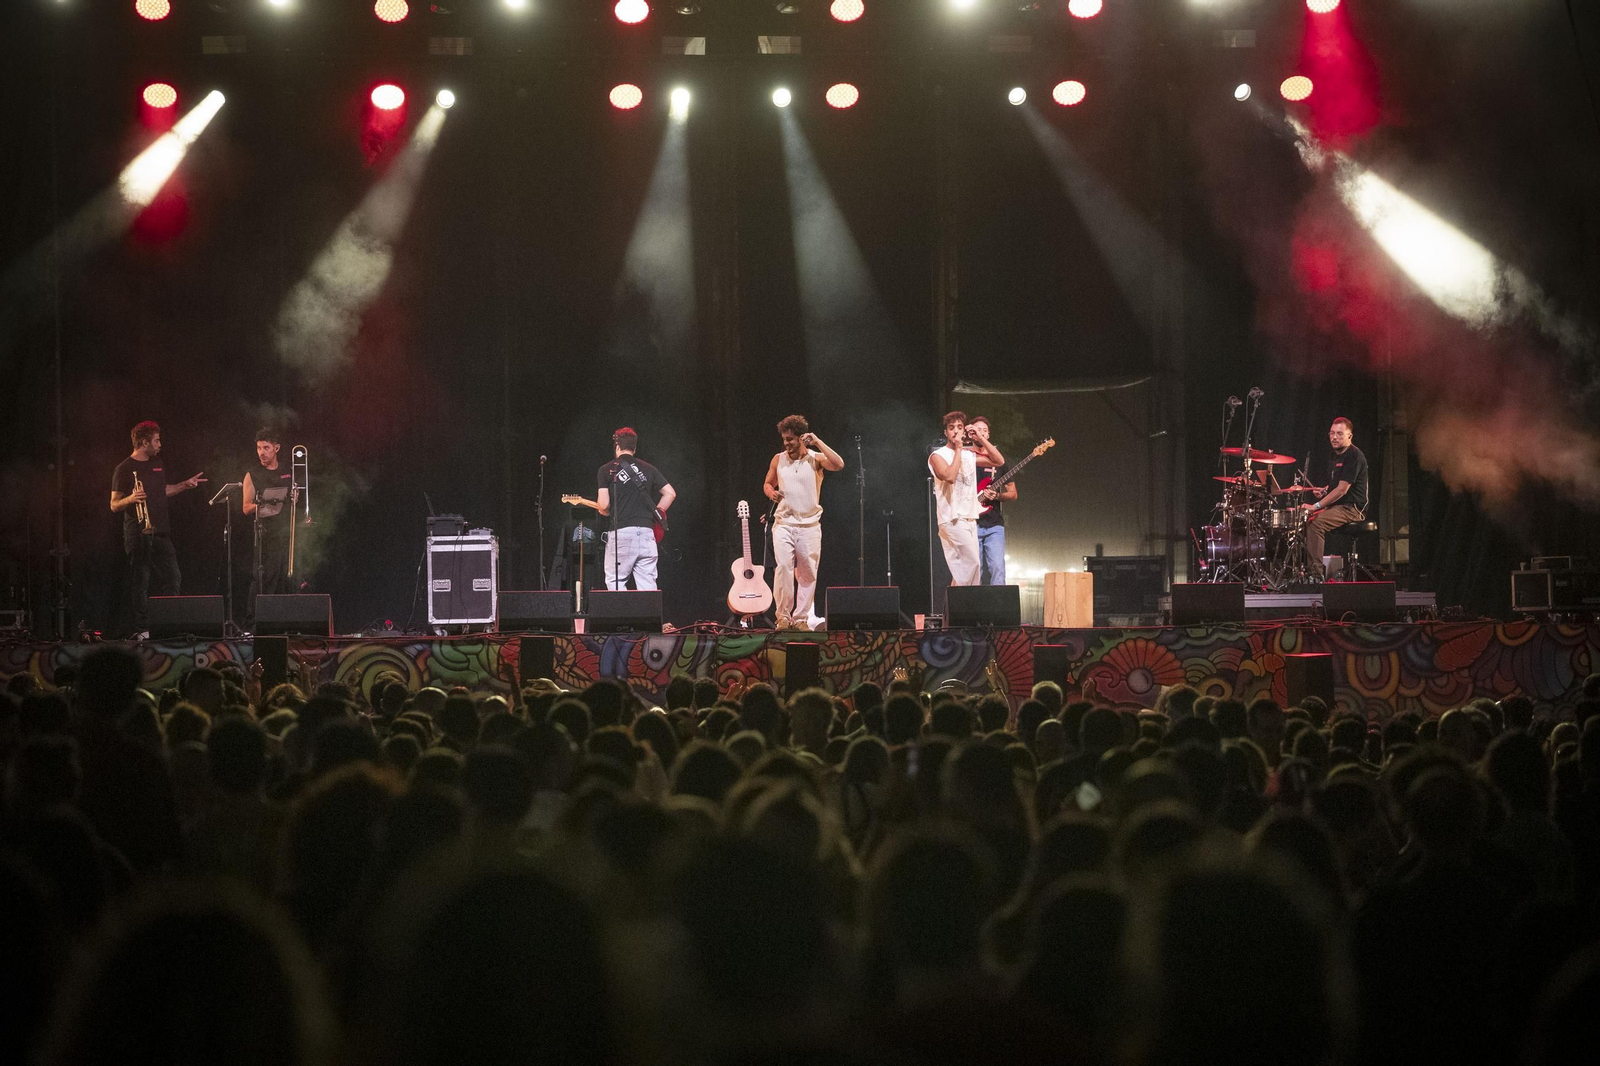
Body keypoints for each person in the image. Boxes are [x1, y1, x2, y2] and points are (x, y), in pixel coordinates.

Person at [110, 421, 206, 640]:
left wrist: (184, 485)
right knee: (141, 582)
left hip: (160, 531)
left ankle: (168, 626)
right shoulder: (123, 468)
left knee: (173, 577)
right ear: (145, 443)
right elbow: (114, 505)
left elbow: (162, 490)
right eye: (156, 440)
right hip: (138, 533)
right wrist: (131, 498)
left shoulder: (157, 463)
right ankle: (142, 629)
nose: (160, 444)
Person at [763, 415, 844, 630]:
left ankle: (800, 619)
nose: (786, 443)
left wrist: (817, 441)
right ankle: (783, 617)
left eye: (790, 439)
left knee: (808, 573)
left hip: (809, 525)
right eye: (784, 439)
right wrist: (771, 493)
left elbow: (839, 464)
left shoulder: (815, 459)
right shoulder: (778, 459)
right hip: (784, 524)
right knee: (783, 569)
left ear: (801, 438)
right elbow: (767, 483)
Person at [595, 427, 675, 592]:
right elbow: (670, 493)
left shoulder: (606, 470)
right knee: (648, 587)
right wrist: (658, 511)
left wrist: (603, 509)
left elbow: (603, 506)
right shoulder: (649, 468)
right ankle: (649, 611)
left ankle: (623, 611)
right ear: (634, 448)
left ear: (617, 446)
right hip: (647, 534)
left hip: (621, 533)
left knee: (616, 582)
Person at [929, 411, 1003, 587]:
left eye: (959, 427)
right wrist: (958, 449)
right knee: (972, 564)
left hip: (969, 518)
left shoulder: (969, 455)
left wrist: (980, 437)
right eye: (951, 428)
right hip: (952, 518)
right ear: (946, 432)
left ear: (964, 431)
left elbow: (999, 461)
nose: (955, 431)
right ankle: (966, 602)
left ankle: (956, 603)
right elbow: (950, 476)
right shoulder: (937, 456)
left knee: (965, 571)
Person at [1300, 416, 1369, 579]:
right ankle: (1303, 571)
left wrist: (1316, 506)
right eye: (1332, 433)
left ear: (1349, 436)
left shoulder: (1353, 455)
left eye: (1339, 433)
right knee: (1302, 519)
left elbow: (1342, 490)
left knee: (1315, 524)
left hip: (1353, 509)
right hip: (1340, 506)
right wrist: (1325, 491)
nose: (1334, 437)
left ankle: (1315, 576)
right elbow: (1336, 485)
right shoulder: (1337, 456)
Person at [241, 427, 293, 619]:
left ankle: (285, 622)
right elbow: (246, 507)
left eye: (266, 448)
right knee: (264, 579)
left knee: (288, 580)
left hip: (287, 532)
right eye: (258, 448)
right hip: (266, 535)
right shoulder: (252, 474)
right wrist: (264, 503)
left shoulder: (288, 471)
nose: (261, 452)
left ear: (276, 448)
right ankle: (254, 622)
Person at [968, 416, 1016, 586]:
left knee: (998, 569)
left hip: (994, 524)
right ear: (971, 434)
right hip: (971, 522)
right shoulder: (966, 457)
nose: (981, 433)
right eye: (977, 430)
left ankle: (1000, 602)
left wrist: (996, 496)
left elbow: (1013, 493)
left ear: (988, 435)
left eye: (984, 431)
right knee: (975, 572)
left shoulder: (999, 460)